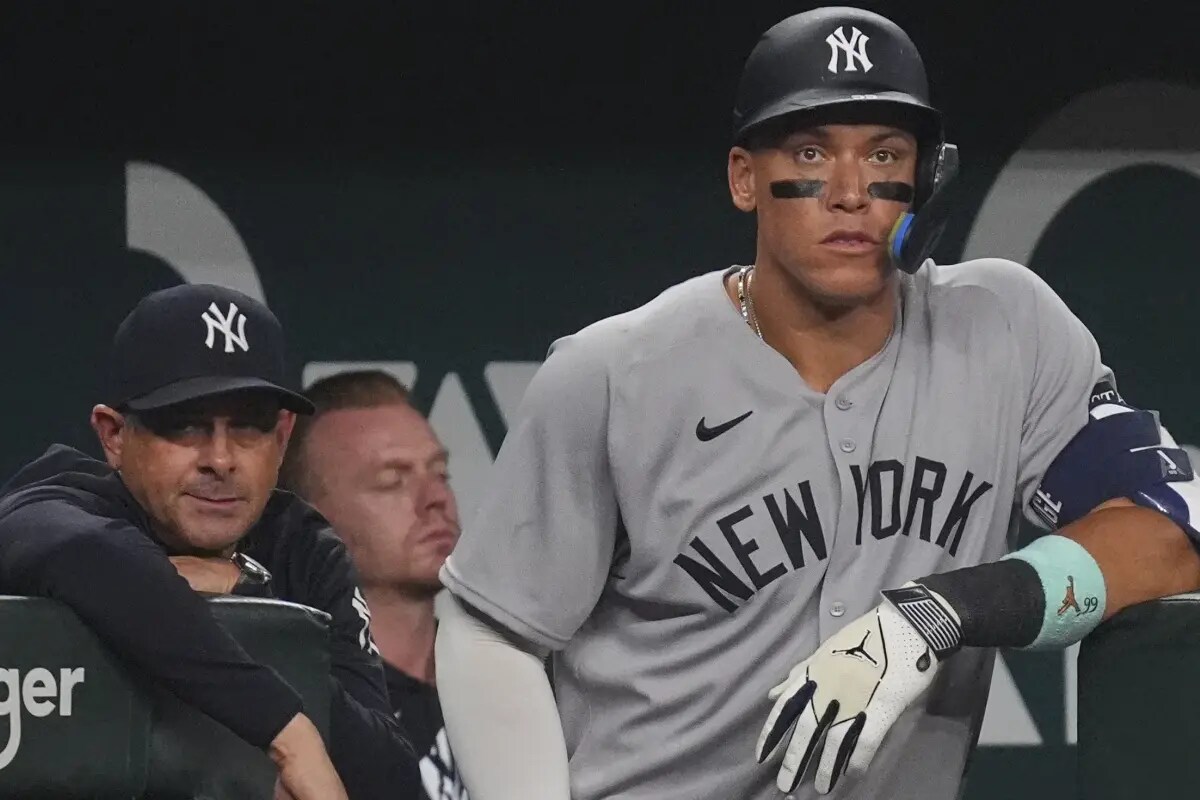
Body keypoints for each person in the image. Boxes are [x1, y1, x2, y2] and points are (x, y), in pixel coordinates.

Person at [431, 7, 1200, 800]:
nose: (849, 192)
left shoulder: (1004, 332)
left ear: (929, 180)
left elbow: (1170, 530)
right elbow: (491, 624)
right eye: (809, 151)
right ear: (744, 177)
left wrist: (940, 612)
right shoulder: (614, 372)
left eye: (885, 154)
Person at [0, 284, 419, 800]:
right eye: (186, 426)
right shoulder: (61, 504)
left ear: (283, 436)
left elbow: (393, 777)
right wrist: (287, 731)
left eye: (248, 428)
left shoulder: (300, 548)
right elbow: (82, 553)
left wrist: (256, 608)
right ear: (113, 435)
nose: (220, 459)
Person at [280, 369, 469, 800]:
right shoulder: (297, 708)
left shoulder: (517, 677)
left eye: (440, 473)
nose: (436, 499)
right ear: (312, 517)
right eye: (392, 480)